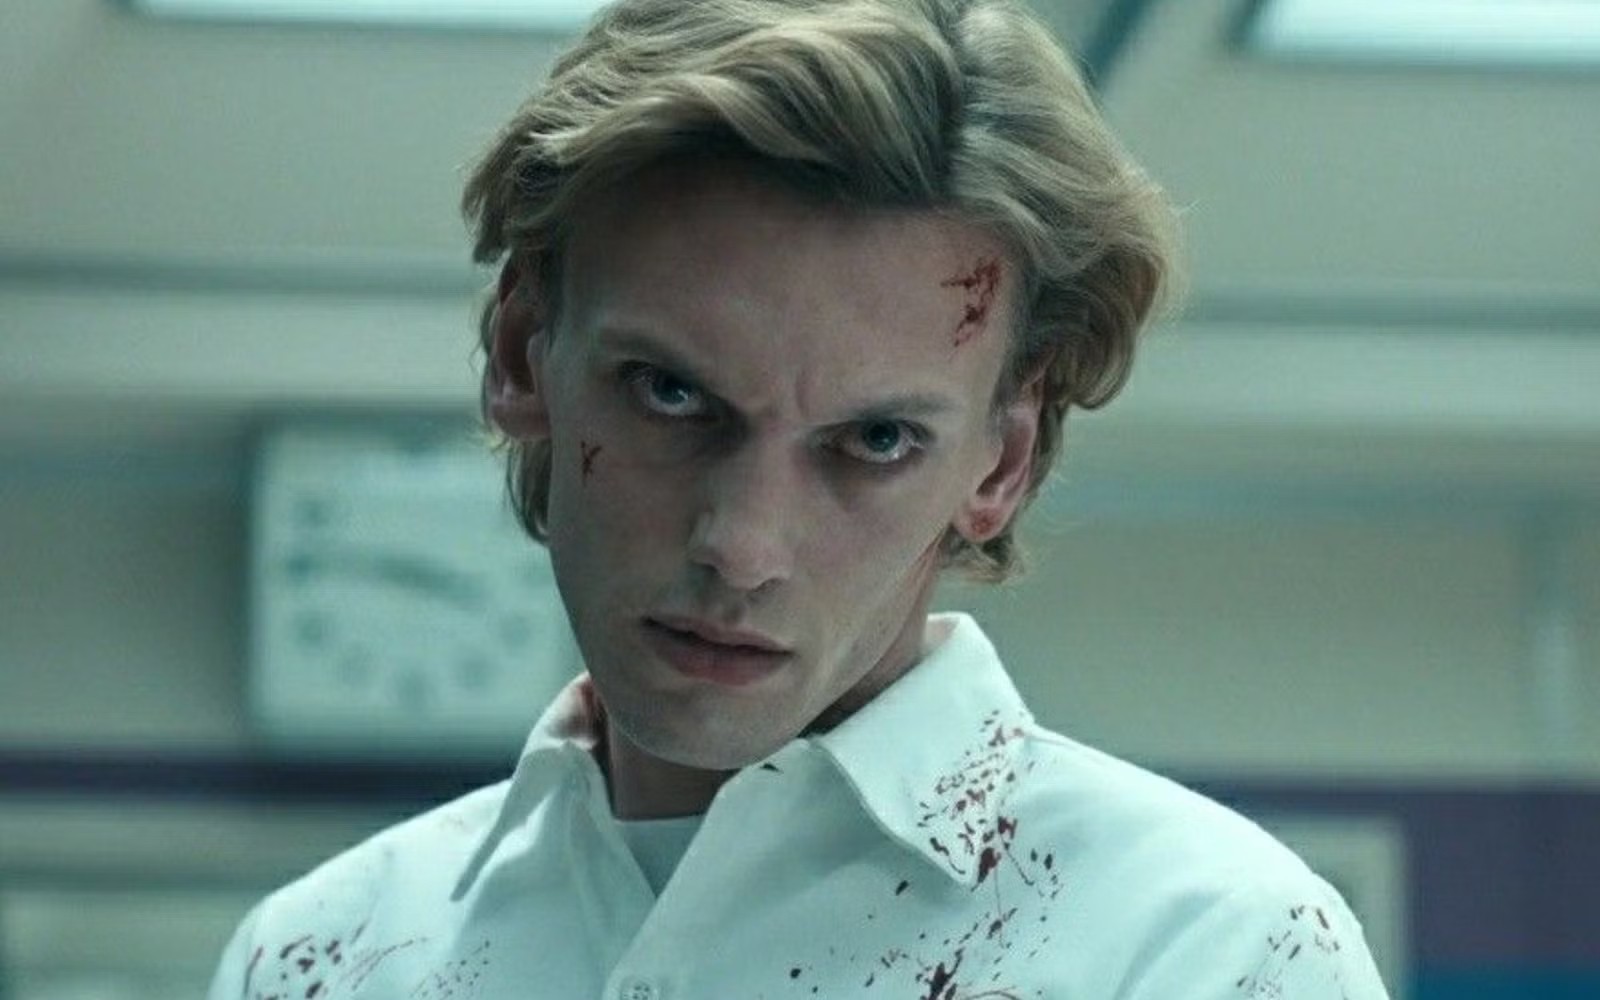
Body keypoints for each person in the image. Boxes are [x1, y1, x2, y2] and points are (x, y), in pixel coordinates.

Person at [209, 1, 1391, 997]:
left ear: (1000, 462)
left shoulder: (1212, 952)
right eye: (671, 393)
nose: (741, 543)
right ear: (524, 352)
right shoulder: (326, 957)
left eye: (874, 441)